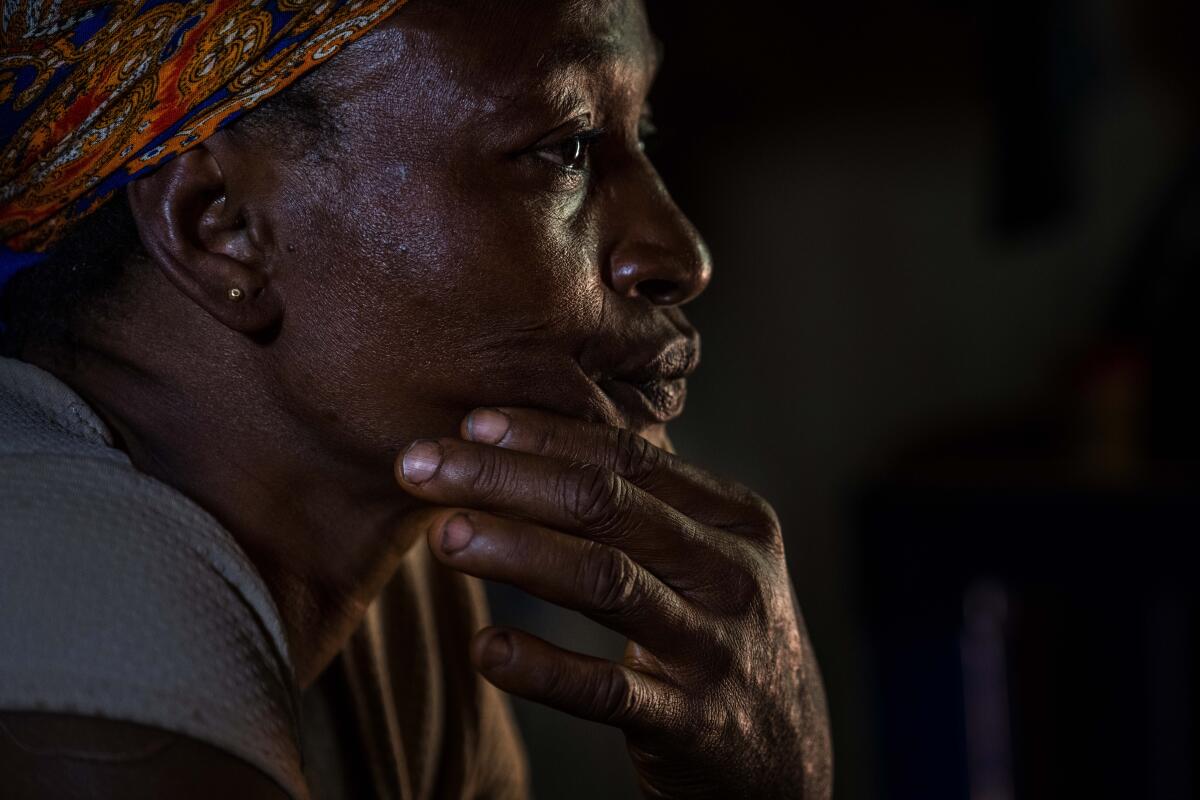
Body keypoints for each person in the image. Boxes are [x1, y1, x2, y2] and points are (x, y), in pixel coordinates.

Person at [0, 1, 833, 797]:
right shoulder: (76, 628)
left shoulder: (398, 590)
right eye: (567, 146)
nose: (678, 255)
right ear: (222, 225)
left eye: (640, 133)